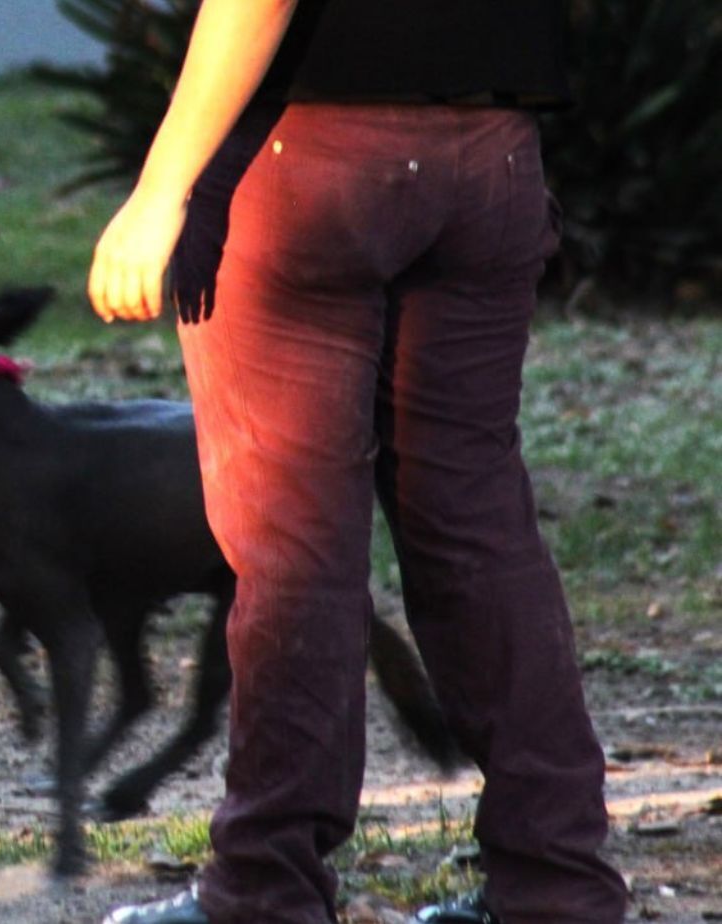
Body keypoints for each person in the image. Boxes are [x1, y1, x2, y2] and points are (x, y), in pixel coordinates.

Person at [87, 1, 629, 922]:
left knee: (296, 550)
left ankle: (266, 889)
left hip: (307, 155)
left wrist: (163, 184)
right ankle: (558, 887)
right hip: (490, 152)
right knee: (479, 532)